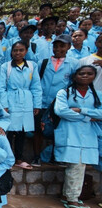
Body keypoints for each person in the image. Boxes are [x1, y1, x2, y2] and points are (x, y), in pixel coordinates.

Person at [54, 65, 102, 208]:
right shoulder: (65, 92)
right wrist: (89, 117)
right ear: (75, 76)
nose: (85, 76)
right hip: (70, 133)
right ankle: (72, 198)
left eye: (89, 74)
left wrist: (82, 110)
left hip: (87, 136)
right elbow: (61, 111)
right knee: (76, 165)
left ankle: (69, 195)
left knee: (79, 166)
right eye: (81, 74)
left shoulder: (97, 95)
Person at [35, 34, 79, 166]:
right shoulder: (43, 63)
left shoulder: (73, 64)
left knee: (58, 130)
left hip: (60, 104)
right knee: (38, 130)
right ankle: (37, 156)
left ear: (68, 47)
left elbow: (74, 83)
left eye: (62, 46)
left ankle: (55, 156)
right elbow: (37, 82)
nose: (58, 48)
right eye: (56, 46)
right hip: (42, 101)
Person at [0, 41, 42, 169]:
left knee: (21, 131)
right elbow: (2, 87)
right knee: (9, 131)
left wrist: (37, 104)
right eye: (15, 50)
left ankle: (18, 158)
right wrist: (4, 104)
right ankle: (6, 157)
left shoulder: (32, 66)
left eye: (21, 50)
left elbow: (36, 86)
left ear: (26, 51)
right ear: (11, 52)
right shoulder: (6, 67)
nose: (18, 53)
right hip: (11, 99)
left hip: (26, 100)